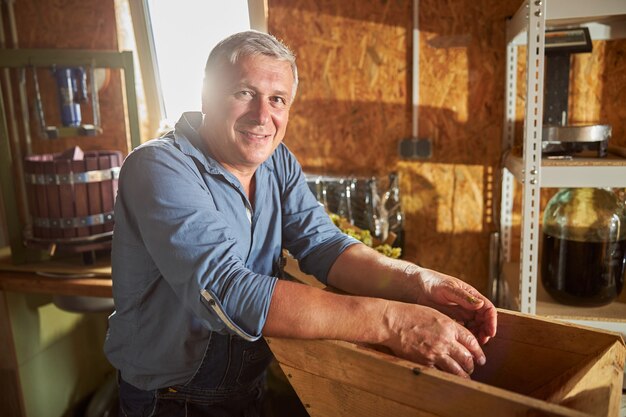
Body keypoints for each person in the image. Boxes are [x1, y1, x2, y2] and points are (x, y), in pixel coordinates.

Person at [104, 30, 497, 417]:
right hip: (172, 399)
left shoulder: (276, 161)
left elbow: (324, 246)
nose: (263, 116)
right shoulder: (159, 166)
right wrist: (394, 322)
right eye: (244, 93)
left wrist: (416, 282)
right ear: (207, 96)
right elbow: (229, 292)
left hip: (247, 386)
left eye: (278, 100)